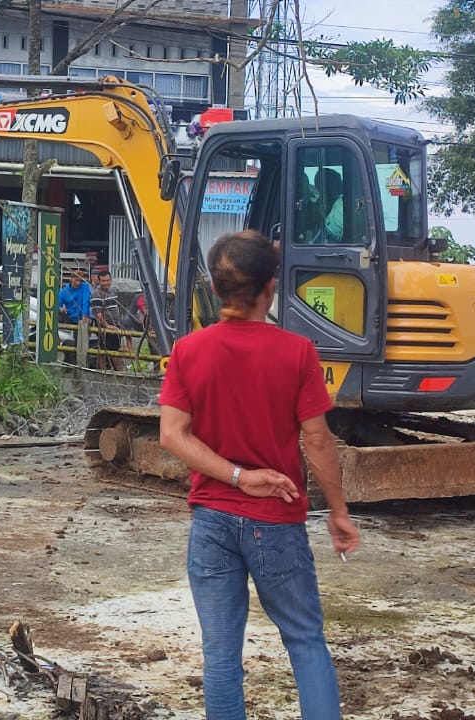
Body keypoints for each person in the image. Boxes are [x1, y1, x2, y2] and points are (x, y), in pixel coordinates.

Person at [158, 229, 360, 720]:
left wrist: (234, 476)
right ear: (271, 286)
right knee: (306, 641)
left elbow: (173, 436)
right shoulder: (297, 352)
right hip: (277, 522)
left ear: (216, 287)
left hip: (211, 522)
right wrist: (338, 512)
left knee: (221, 655)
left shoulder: (189, 351)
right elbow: (317, 441)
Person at [90, 270, 123, 371]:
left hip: (116, 323)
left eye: (107, 280)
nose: (106, 283)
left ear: (111, 280)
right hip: (106, 325)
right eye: (103, 281)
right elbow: (98, 314)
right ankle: (104, 370)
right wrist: (107, 325)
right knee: (105, 349)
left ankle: (117, 370)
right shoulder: (97, 294)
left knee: (115, 348)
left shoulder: (113, 291)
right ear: (99, 282)